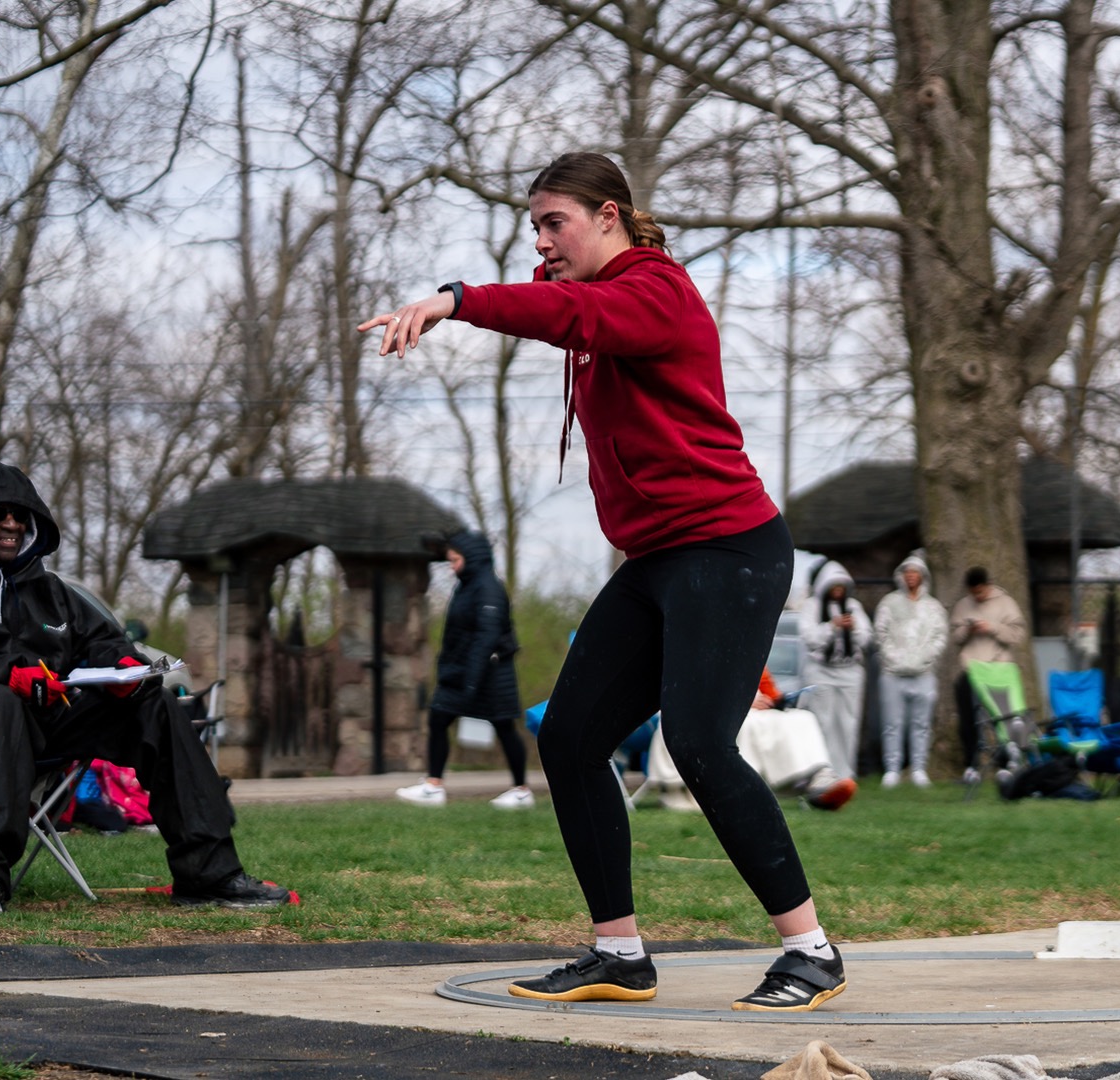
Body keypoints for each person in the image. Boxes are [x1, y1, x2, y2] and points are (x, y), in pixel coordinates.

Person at [356, 152, 844, 1012]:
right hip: (656, 560)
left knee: (698, 741)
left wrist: (454, 300)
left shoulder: (657, 291)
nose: (543, 241)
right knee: (573, 735)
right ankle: (618, 952)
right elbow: (570, 311)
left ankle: (811, 949)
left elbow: (574, 310)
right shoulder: (600, 303)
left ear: (610, 217)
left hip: (728, 549)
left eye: (556, 223)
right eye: (535, 228)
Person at [0, 461, 291, 913]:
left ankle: (209, 873)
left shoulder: (53, 593)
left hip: (45, 725)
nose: (11, 523)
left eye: (21, 515)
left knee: (156, 705)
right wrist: (7, 675)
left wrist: (123, 669)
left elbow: (104, 642)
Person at [395, 530, 532, 809]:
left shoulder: (488, 588)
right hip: (461, 671)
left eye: (455, 559)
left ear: (472, 559)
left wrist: (471, 682)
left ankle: (521, 791)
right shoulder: (466, 586)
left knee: (504, 725)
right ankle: (434, 786)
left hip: (489, 674)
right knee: (438, 719)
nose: (451, 565)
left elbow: (487, 636)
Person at [649, 669, 856, 811]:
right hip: (708, 711)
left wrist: (775, 700)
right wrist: (742, 699)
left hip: (748, 708)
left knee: (802, 717)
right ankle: (744, 791)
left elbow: (767, 687)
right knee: (747, 726)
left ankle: (818, 780)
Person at [948, 567, 1027, 784]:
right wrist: (967, 630)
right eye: (974, 593)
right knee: (968, 719)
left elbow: (1017, 634)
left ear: (988, 586)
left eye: (981, 592)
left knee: (1003, 717)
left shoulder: (1006, 603)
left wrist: (992, 627)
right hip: (972, 670)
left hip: (998, 669)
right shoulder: (963, 606)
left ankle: (1006, 764)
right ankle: (971, 766)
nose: (978, 597)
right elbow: (955, 636)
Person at [873, 553, 946, 788]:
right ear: (902, 576)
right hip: (893, 674)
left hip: (924, 674)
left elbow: (940, 636)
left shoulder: (933, 607)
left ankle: (918, 768)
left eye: (915, 573)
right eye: (907, 573)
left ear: (922, 577)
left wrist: (924, 658)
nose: (911, 577)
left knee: (921, 724)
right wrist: (895, 658)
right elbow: (880, 634)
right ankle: (892, 769)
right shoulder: (889, 603)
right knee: (892, 723)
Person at [799, 561, 871, 786]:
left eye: (842, 586)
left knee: (848, 723)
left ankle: (845, 773)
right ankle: (823, 772)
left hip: (850, 671)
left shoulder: (853, 607)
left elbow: (867, 638)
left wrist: (854, 628)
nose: (838, 590)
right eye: (834, 585)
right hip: (822, 671)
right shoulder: (812, 606)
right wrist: (832, 626)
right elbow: (810, 637)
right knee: (823, 721)